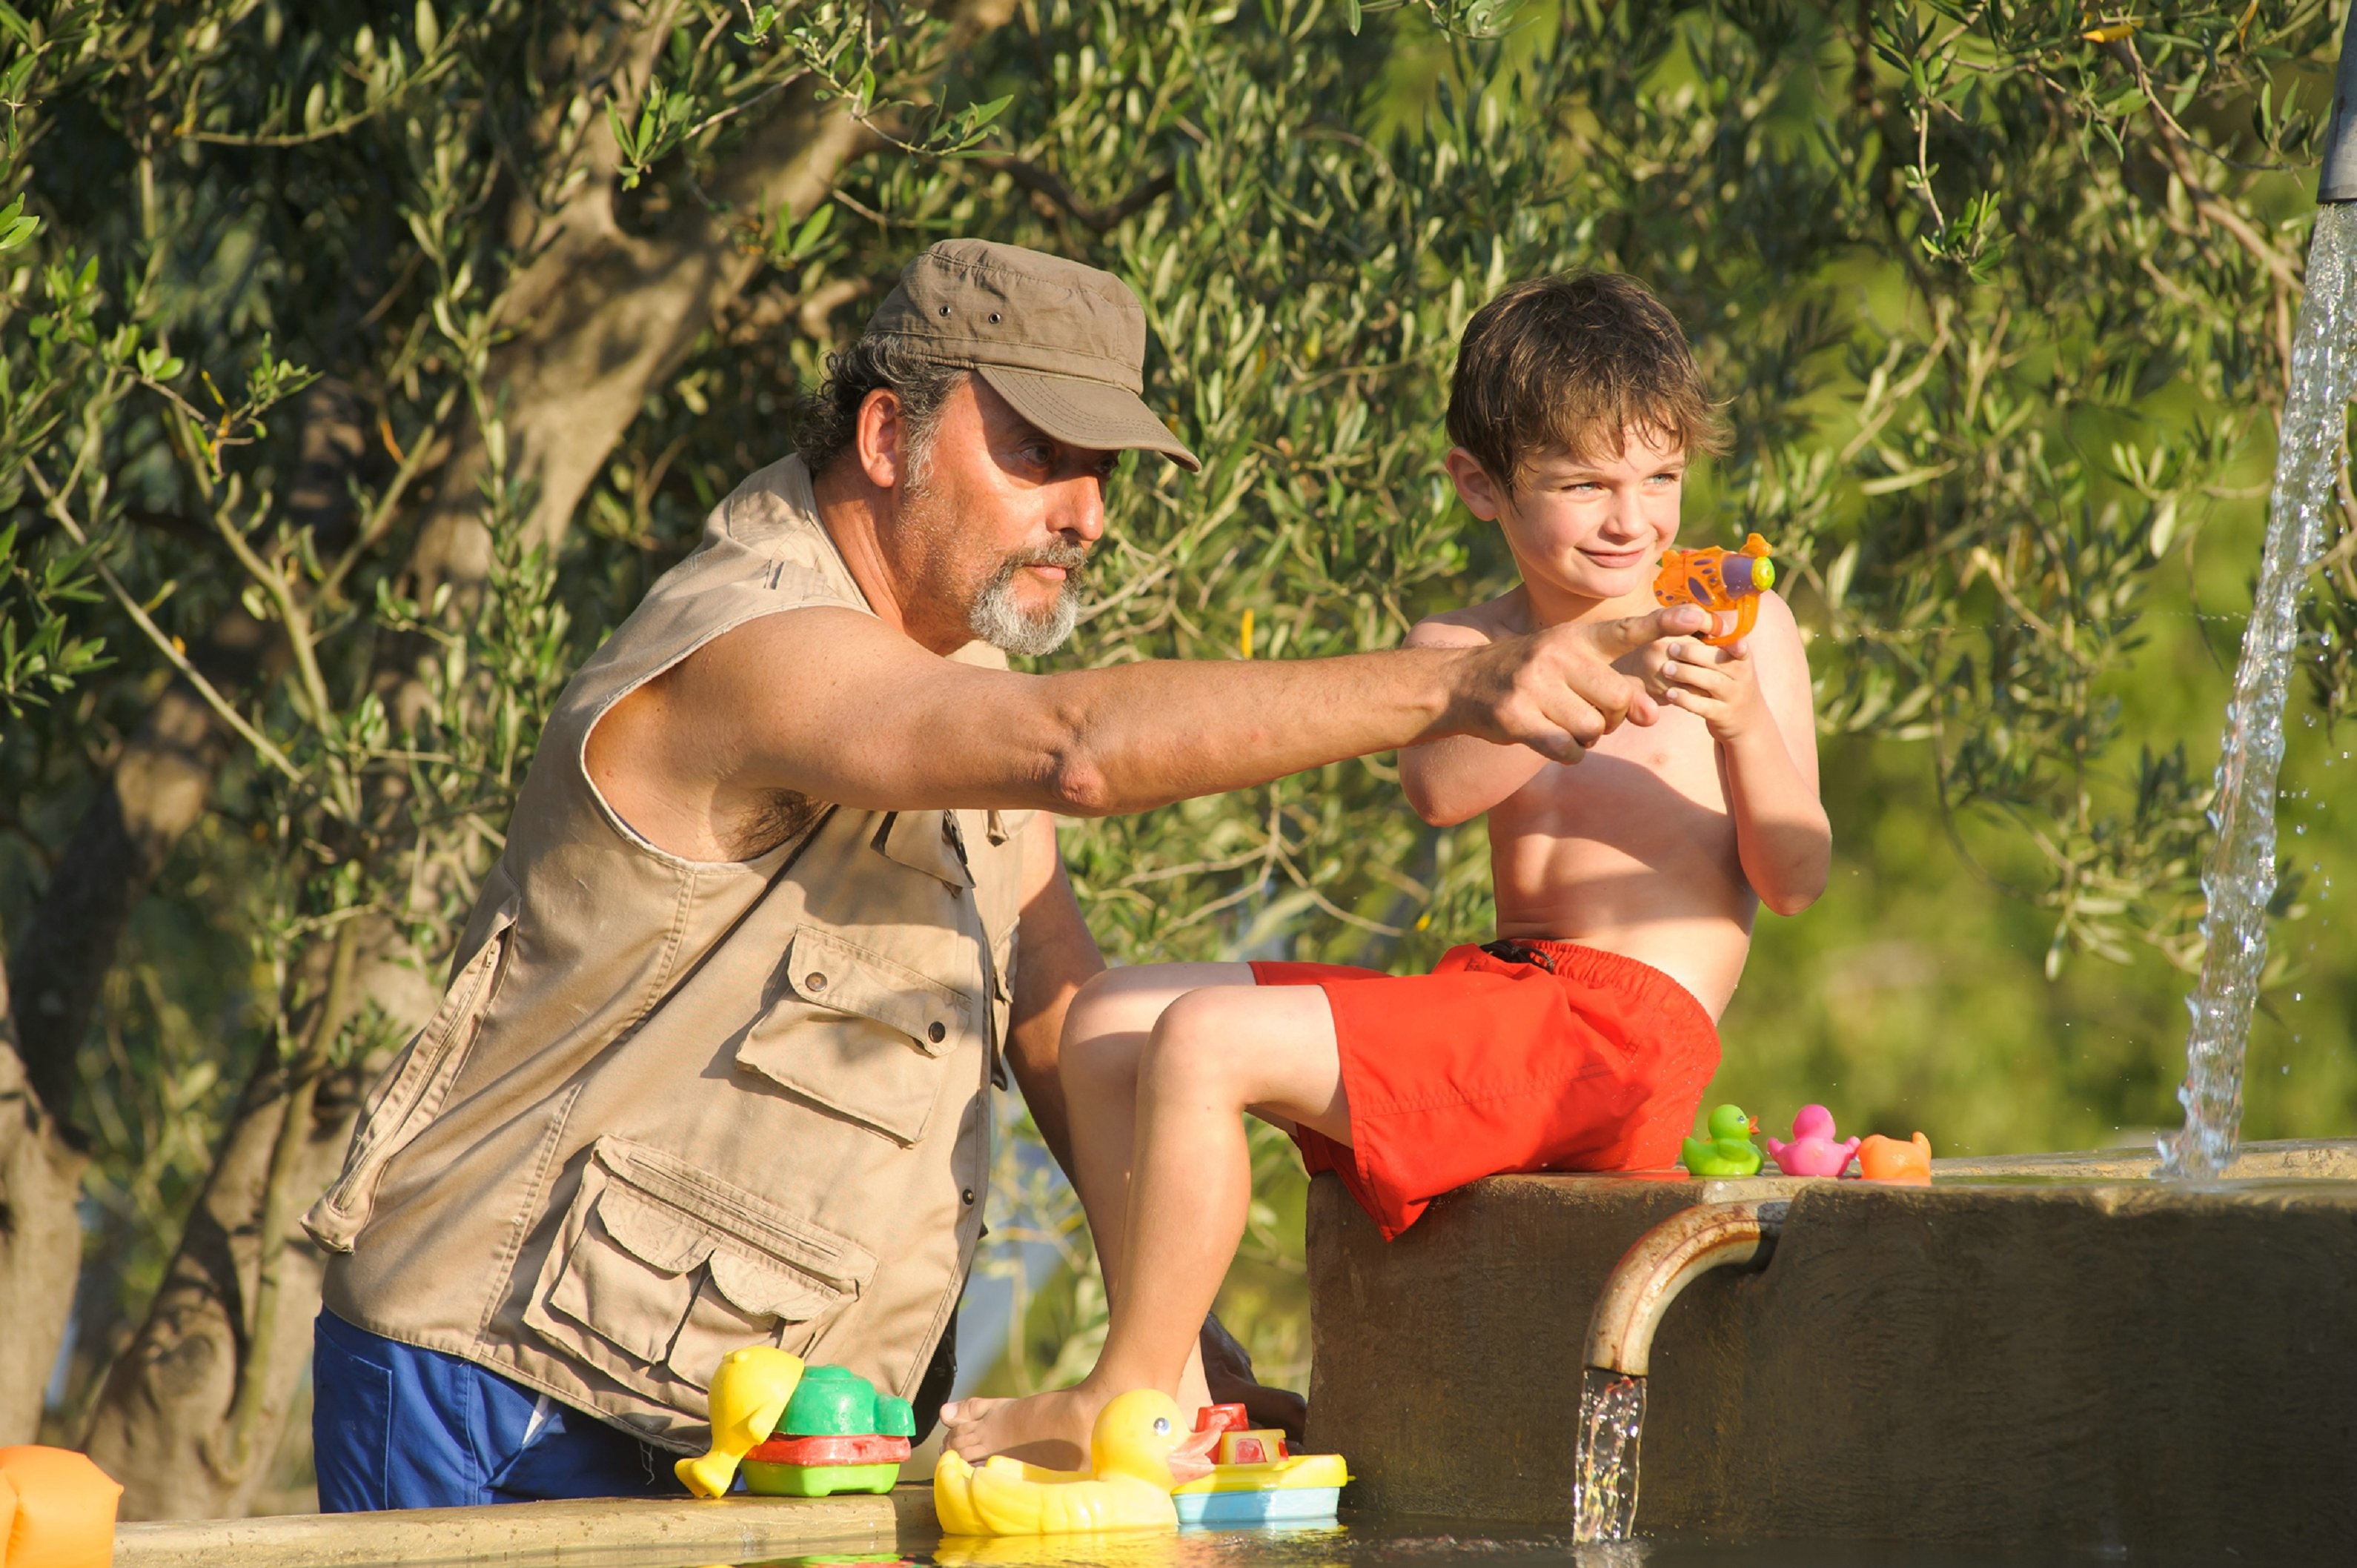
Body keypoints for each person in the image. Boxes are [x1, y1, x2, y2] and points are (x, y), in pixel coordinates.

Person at [301, 242, 1709, 1509]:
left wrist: (1171, 1353)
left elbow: (1052, 1007)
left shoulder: (952, 669)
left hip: (762, 1414)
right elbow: (1075, 749)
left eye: (1104, 473)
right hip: (502, 1385)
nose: (1084, 510)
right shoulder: (751, 643)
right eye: (1037, 454)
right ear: (885, 438)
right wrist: (1465, 686)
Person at [940, 271, 1829, 1467]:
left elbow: (1797, 876)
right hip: (1510, 995)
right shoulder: (1463, 647)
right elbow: (1440, 790)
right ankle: (1188, 1373)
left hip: (1625, 1036)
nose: (1633, 522)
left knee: (1208, 1040)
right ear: (1481, 484)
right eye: (1583, 485)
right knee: (1111, 1018)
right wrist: (1574, 666)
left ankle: (1122, 1393)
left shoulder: (1746, 626)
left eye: (1659, 479)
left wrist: (1741, 729)